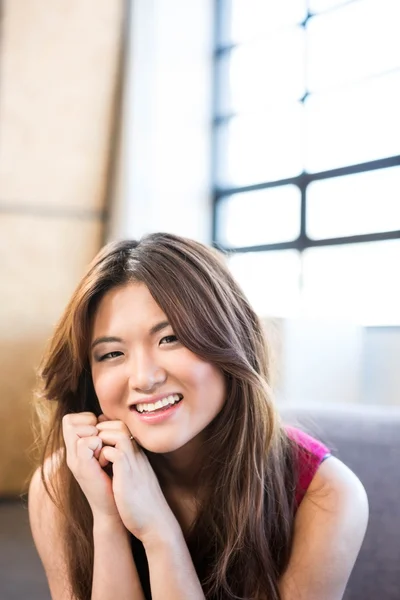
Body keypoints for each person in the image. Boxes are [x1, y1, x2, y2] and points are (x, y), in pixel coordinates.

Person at [28, 233, 368, 600]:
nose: (144, 378)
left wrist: (159, 532)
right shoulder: (61, 486)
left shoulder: (325, 494)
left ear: (231, 340)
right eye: (111, 354)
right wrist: (108, 519)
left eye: (171, 338)